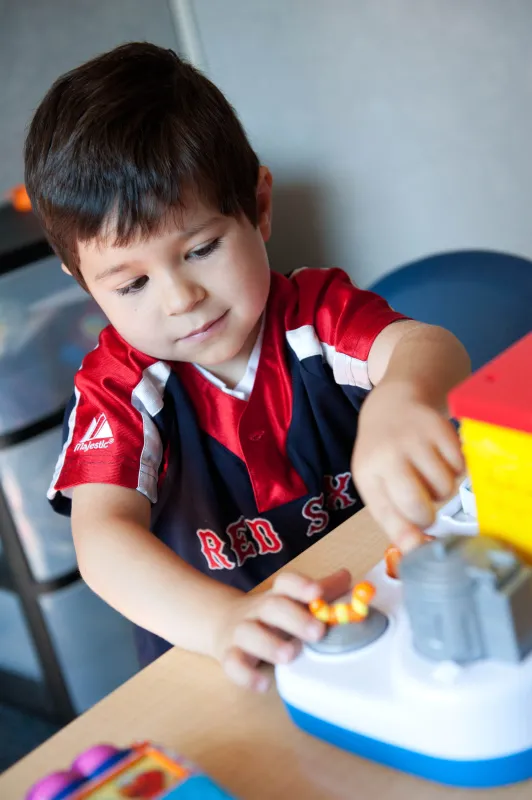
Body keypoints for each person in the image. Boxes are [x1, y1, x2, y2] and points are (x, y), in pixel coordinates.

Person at [24, 42, 470, 691]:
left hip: (376, 615)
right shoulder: (120, 388)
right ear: (83, 281)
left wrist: (404, 395)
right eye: (130, 285)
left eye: (201, 248)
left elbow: (429, 347)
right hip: (225, 661)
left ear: (259, 205)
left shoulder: (314, 317)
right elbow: (102, 544)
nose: (180, 299)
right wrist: (223, 622)